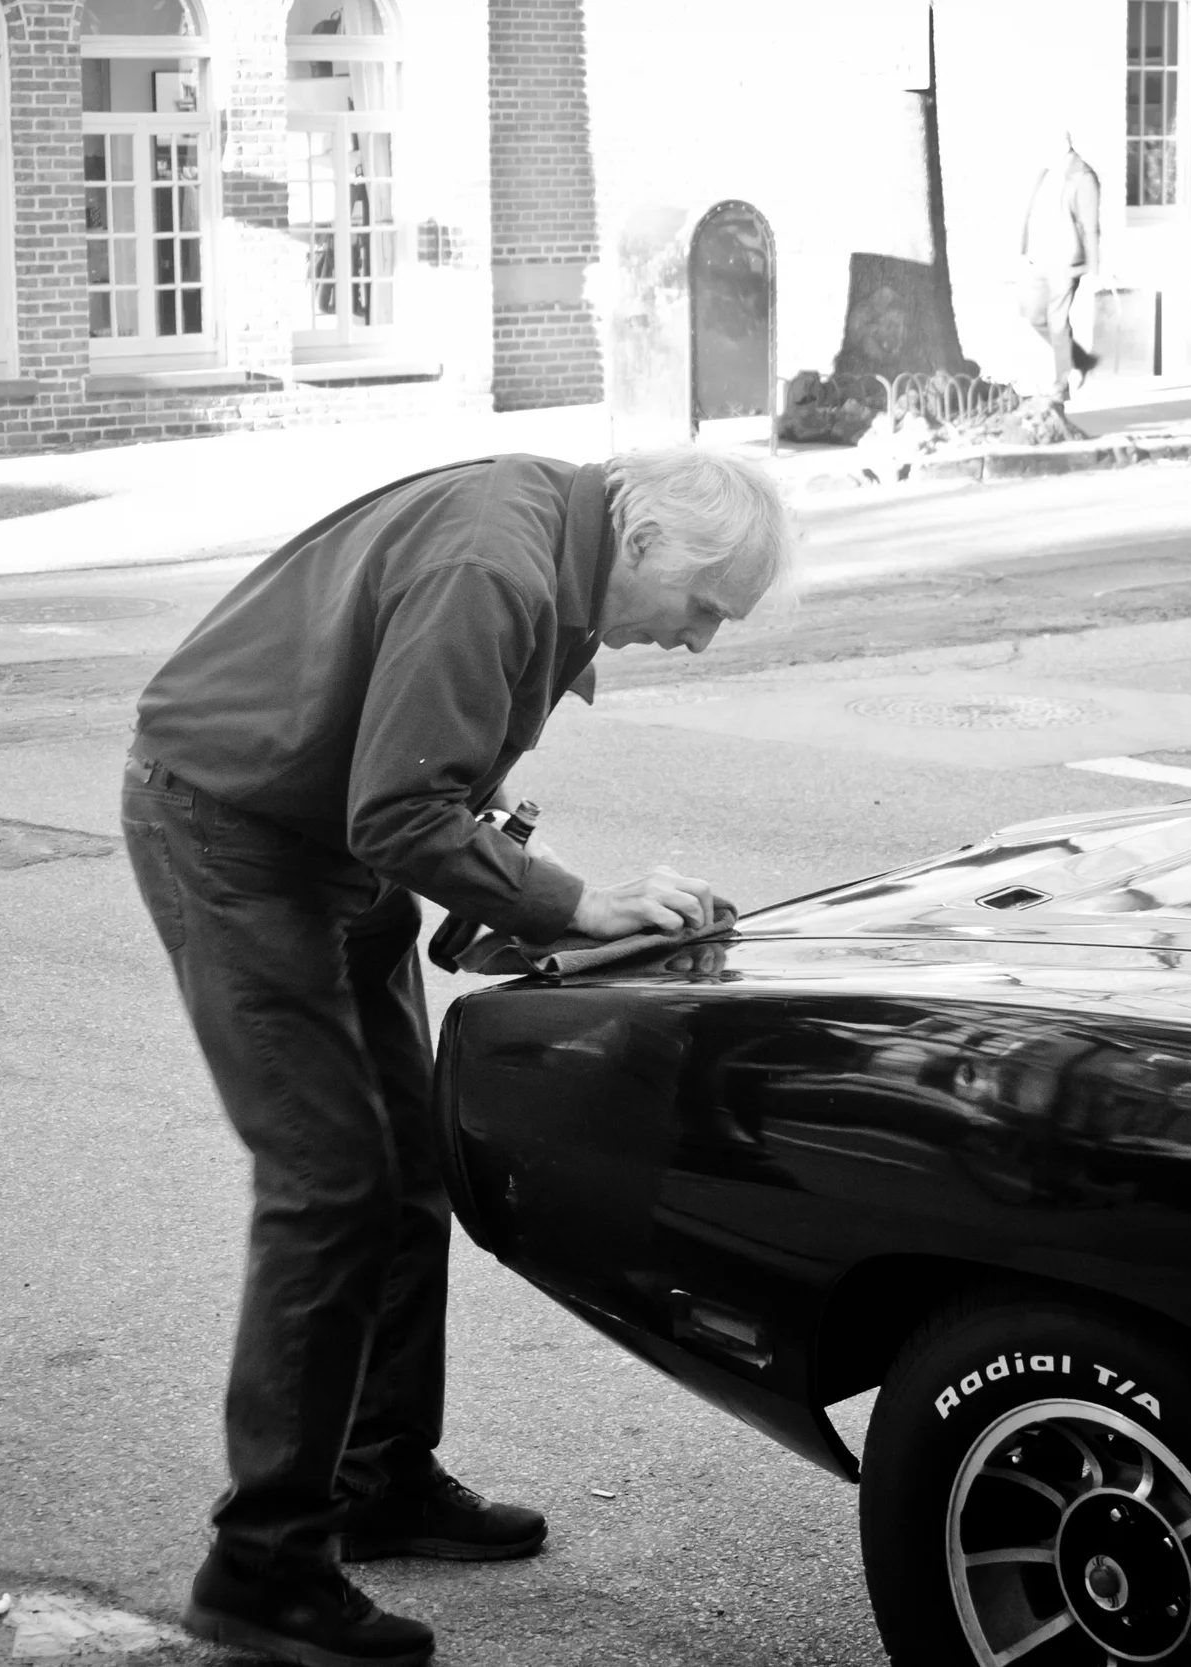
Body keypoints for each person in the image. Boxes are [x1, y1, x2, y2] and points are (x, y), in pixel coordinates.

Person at [124, 447, 793, 1667]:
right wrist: (568, 902)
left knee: (406, 1165)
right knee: (331, 1185)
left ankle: (375, 1478)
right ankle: (261, 1566)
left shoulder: (558, 543)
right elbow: (399, 808)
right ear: (644, 545)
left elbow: (420, 785)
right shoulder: (495, 559)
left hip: (333, 831)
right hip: (238, 831)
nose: (698, 639)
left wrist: (519, 898)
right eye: (701, 608)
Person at [1016, 133, 1103, 411]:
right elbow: (1032, 212)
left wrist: (1095, 264)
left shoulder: (1084, 177)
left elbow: (1090, 224)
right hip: (1038, 257)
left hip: (1065, 260)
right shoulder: (1045, 173)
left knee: (1057, 320)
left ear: (1065, 148)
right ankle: (1080, 360)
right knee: (1032, 314)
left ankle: (1061, 384)